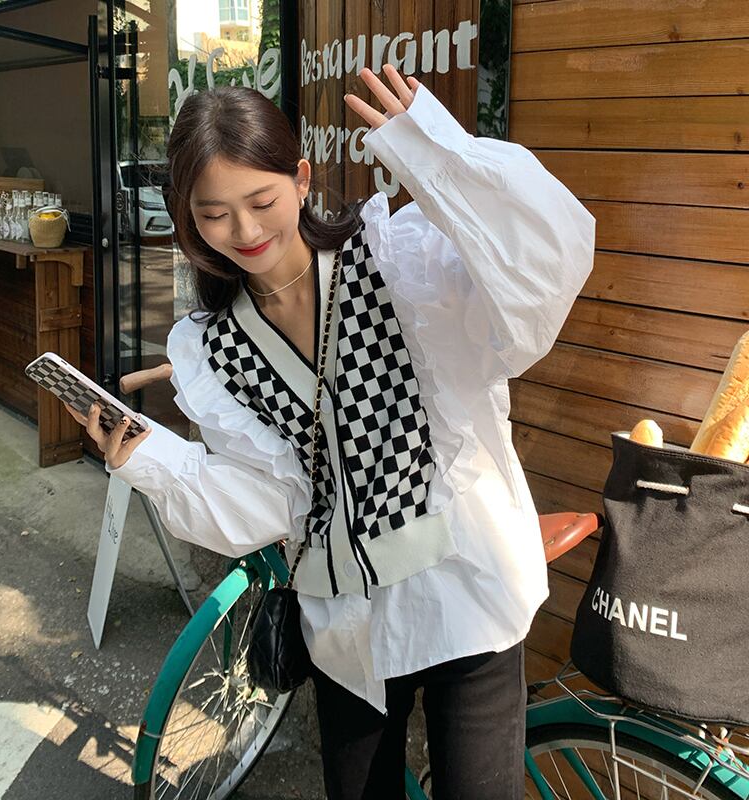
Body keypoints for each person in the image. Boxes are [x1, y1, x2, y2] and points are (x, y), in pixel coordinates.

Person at [63, 64, 596, 799]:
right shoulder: (211, 347)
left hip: (467, 595)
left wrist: (442, 158)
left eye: (261, 201)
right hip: (347, 628)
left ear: (301, 179)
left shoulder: (397, 260)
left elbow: (540, 281)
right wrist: (150, 459)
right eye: (214, 214)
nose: (245, 231)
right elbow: (270, 502)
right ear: (188, 219)